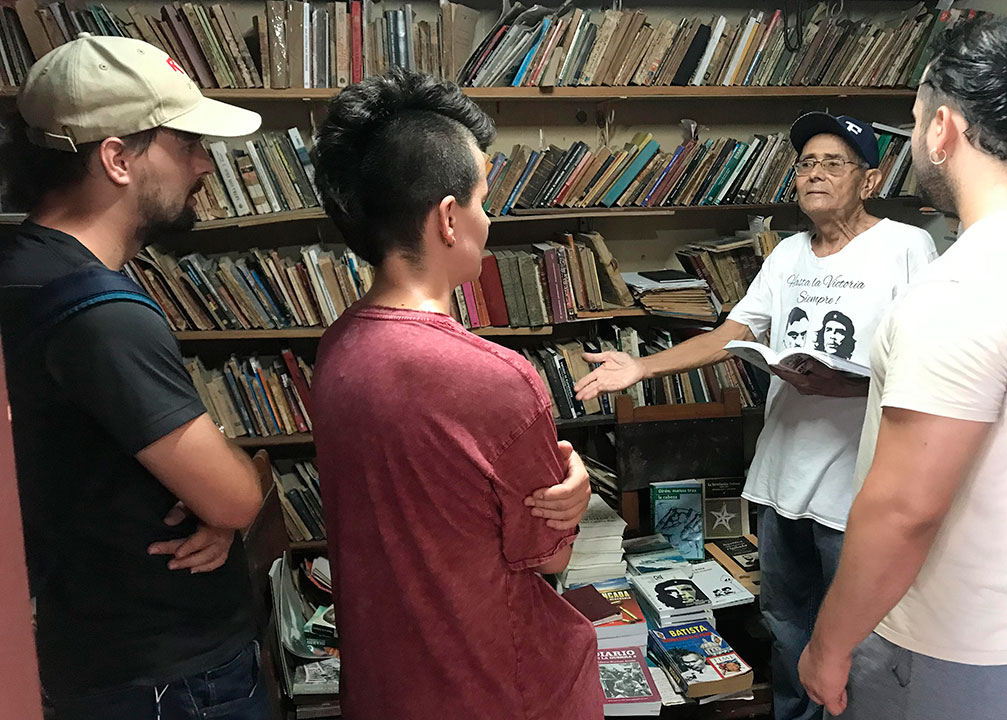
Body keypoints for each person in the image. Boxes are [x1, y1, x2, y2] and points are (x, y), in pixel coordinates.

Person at [576, 112, 938, 720]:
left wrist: (856, 386)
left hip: (860, 485)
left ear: (869, 180)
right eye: (805, 164)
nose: (815, 174)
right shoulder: (788, 254)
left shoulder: (907, 246)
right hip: (783, 477)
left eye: (834, 163)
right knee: (784, 622)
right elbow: (733, 332)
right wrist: (641, 369)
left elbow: (934, 356)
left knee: (853, 639)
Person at [799, 17, 1007, 720]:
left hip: (940, 639)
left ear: (943, 129)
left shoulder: (960, 290)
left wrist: (828, 647)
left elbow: (904, 510)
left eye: (917, 116)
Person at [309, 69, 603, 719]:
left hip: (389, 687)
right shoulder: (496, 378)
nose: (488, 220)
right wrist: (575, 495)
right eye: (482, 199)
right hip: (498, 691)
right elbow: (551, 552)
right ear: (448, 217)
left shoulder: (336, 348)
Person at [0, 35, 272, 719]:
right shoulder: (97, 312)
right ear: (117, 159)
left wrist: (211, 498)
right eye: (186, 144)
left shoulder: (25, 269)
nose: (205, 165)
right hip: (168, 677)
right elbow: (237, 501)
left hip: (91, 648)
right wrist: (231, 497)